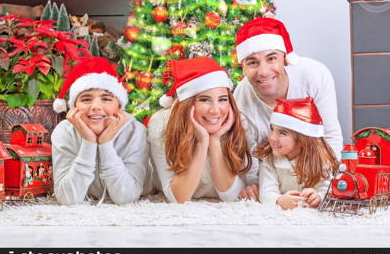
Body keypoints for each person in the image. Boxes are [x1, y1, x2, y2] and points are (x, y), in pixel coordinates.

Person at [233, 17, 343, 200]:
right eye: (252, 62)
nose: (263, 71)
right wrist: (257, 185)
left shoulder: (314, 76)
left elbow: (330, 135)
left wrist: (325, 187)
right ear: (242, 67)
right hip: (273, 176)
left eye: (271, 58)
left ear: (285, 58)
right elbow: (248, 150)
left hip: (315, 171)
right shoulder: (242, 97)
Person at [148, 56, 254, 203]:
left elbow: (232, 196)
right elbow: (178, 198)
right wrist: (202, 143)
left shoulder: (239, 123)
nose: (215, 111)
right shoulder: (161, 125)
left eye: (222, 99)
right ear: (187, 104)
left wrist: (215, 142)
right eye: (204, 100)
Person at [51, 57, 149, 205]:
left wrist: (106, 144)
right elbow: (67, 199)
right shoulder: (64, 132)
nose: (96, 106)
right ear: (74, 107)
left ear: (119, 106)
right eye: (86, 99)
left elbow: (126, 198)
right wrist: (88, 142)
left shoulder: (135, 132)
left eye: (106, 99)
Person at [256, 97, 338, 209]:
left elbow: (327, 189)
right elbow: (266, 192)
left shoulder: (321, 161)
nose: (271, 137)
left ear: (303, 141)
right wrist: (279, 201)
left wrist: (317, 196)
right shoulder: (270, 159)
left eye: (282, 133)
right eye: (272, 129)